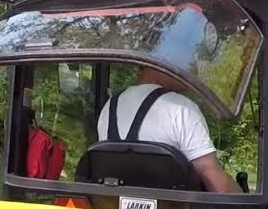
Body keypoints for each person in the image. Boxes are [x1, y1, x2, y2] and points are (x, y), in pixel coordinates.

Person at [96, 68, 242, 193]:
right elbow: (216, 183)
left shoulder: (109, 107)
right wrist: (245, 203)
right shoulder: (181, 108)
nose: (191, 68)